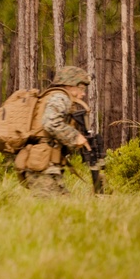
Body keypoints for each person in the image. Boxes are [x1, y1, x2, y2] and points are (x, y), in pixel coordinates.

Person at [16, 66, 92, 196]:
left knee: (62, 207)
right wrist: (75, 137)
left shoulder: (56, 96)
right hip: (41, 165)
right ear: (70, 85)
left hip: (46, 164)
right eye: (81, 88)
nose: (83, 93)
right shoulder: (60, 97)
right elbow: (50, 123)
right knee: (48, 208)